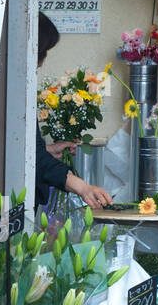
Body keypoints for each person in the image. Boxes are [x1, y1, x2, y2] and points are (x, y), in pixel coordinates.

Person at [35, 13, 114, 210]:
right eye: (43, 51)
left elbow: (31, 154)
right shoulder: (10, 92)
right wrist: (83, 187)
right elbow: (36, 161)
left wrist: (46, 151)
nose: (44, 59)